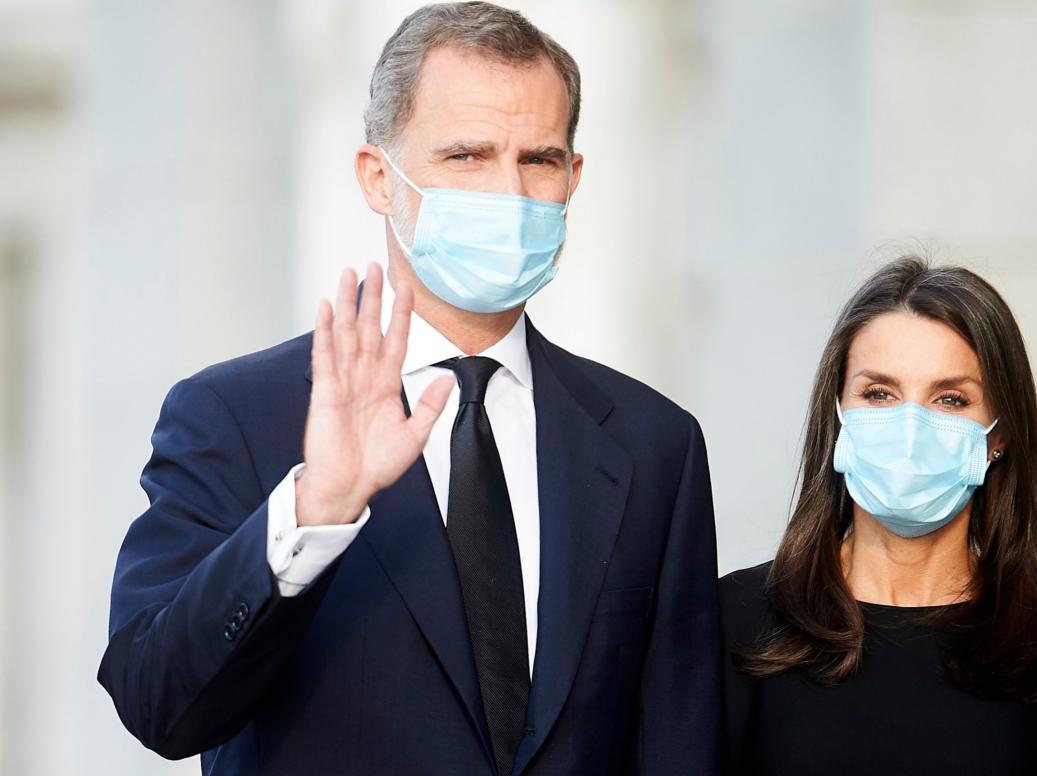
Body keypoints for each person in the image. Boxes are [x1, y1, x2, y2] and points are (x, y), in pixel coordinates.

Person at [98, 3, 720, 774]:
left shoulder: (652, 443)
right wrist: (313, 512)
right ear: (378, 179)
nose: (509, 191)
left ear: (573, 178)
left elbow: (680, 738)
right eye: (466, 156)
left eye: (539, 159)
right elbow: (158, 701)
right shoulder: (237, 416)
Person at [720, 257, 1037, 775]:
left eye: (950, 399)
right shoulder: (736, 624)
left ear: (1000, 436)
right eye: (879, 393)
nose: (910, 427)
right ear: (838, 415)